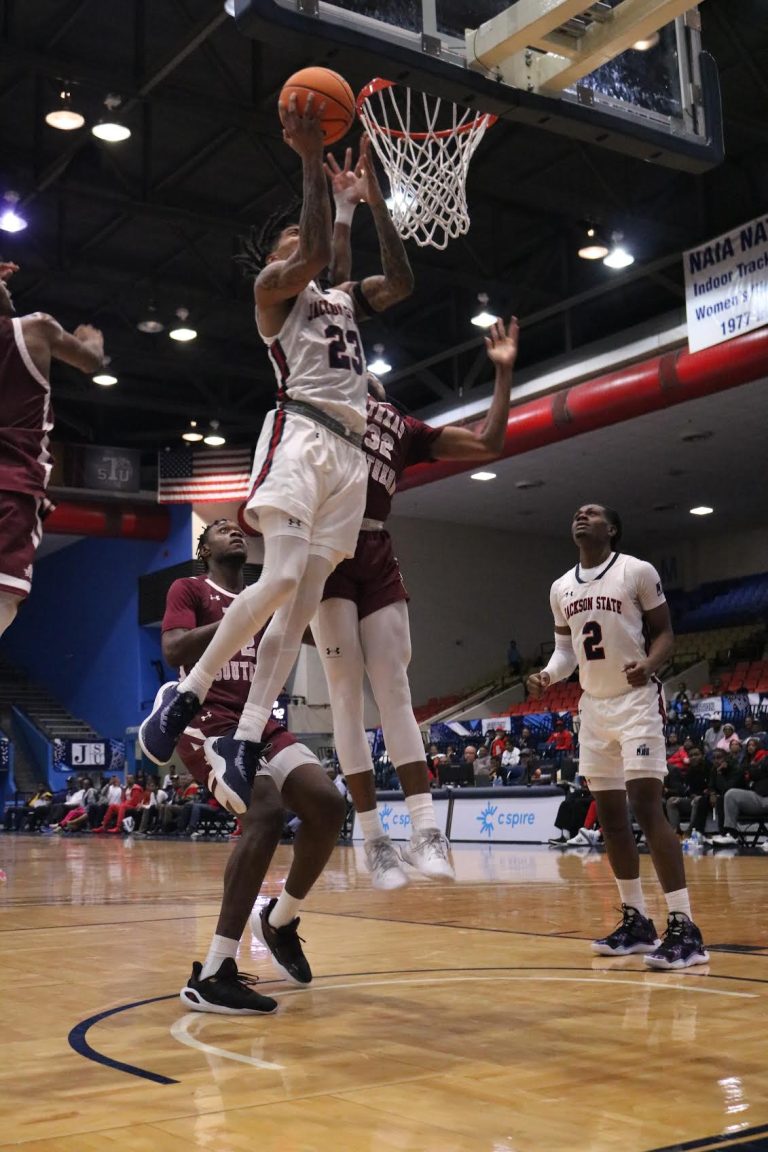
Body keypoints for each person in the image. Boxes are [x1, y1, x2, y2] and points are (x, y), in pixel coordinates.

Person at [138, 110, 414, 814]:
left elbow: (399, 281)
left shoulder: (341, 300)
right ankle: (188, 695)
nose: (307, 248)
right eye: (295, 242)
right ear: (282, 259)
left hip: (349, 460)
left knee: (297, 601)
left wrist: (370, 205)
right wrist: (311, 161)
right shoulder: (273, 293)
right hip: (301, 434)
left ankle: (249, 733)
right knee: (283, 577)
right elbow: (320, 251)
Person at [309, 151, 520, 887]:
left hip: (376, 551)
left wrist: (502, 372)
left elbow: (490, 442)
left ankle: (427, 833)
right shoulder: (321, 404)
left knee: (394, 689)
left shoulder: (398, 421)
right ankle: (371, 839)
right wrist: (343, 210)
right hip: (327, 554)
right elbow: (338, 286)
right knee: (343, 693)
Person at [161, 517, 346, 1015]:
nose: (233, 531)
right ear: (204, 547)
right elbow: (173, 648)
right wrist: (244, 615)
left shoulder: (271, 592)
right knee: (263, 811)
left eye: (236, 527)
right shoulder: (189, 587)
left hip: (259, 718)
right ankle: (216, 969)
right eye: (220, 528)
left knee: (328, 804)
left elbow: (310, 632)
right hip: (208, 720)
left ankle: (281, 920)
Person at [527, 503, 708, 969]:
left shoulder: (636, 571)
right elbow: (565, 652)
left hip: (636, 704)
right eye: (577, 512)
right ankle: (637, 920)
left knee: (646, 807)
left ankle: (686, 928)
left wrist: (649, 664)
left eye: (592, 513)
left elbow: (666, 632)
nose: (580, 516)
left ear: (613, 529)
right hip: (594, 707)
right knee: (609, 817)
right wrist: (548, 675)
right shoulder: (560, 587)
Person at [0, 262, 104, 634]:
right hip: (11, 484)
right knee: (5, 596)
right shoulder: (35, 328)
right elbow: (89, 361)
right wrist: (92, 339)